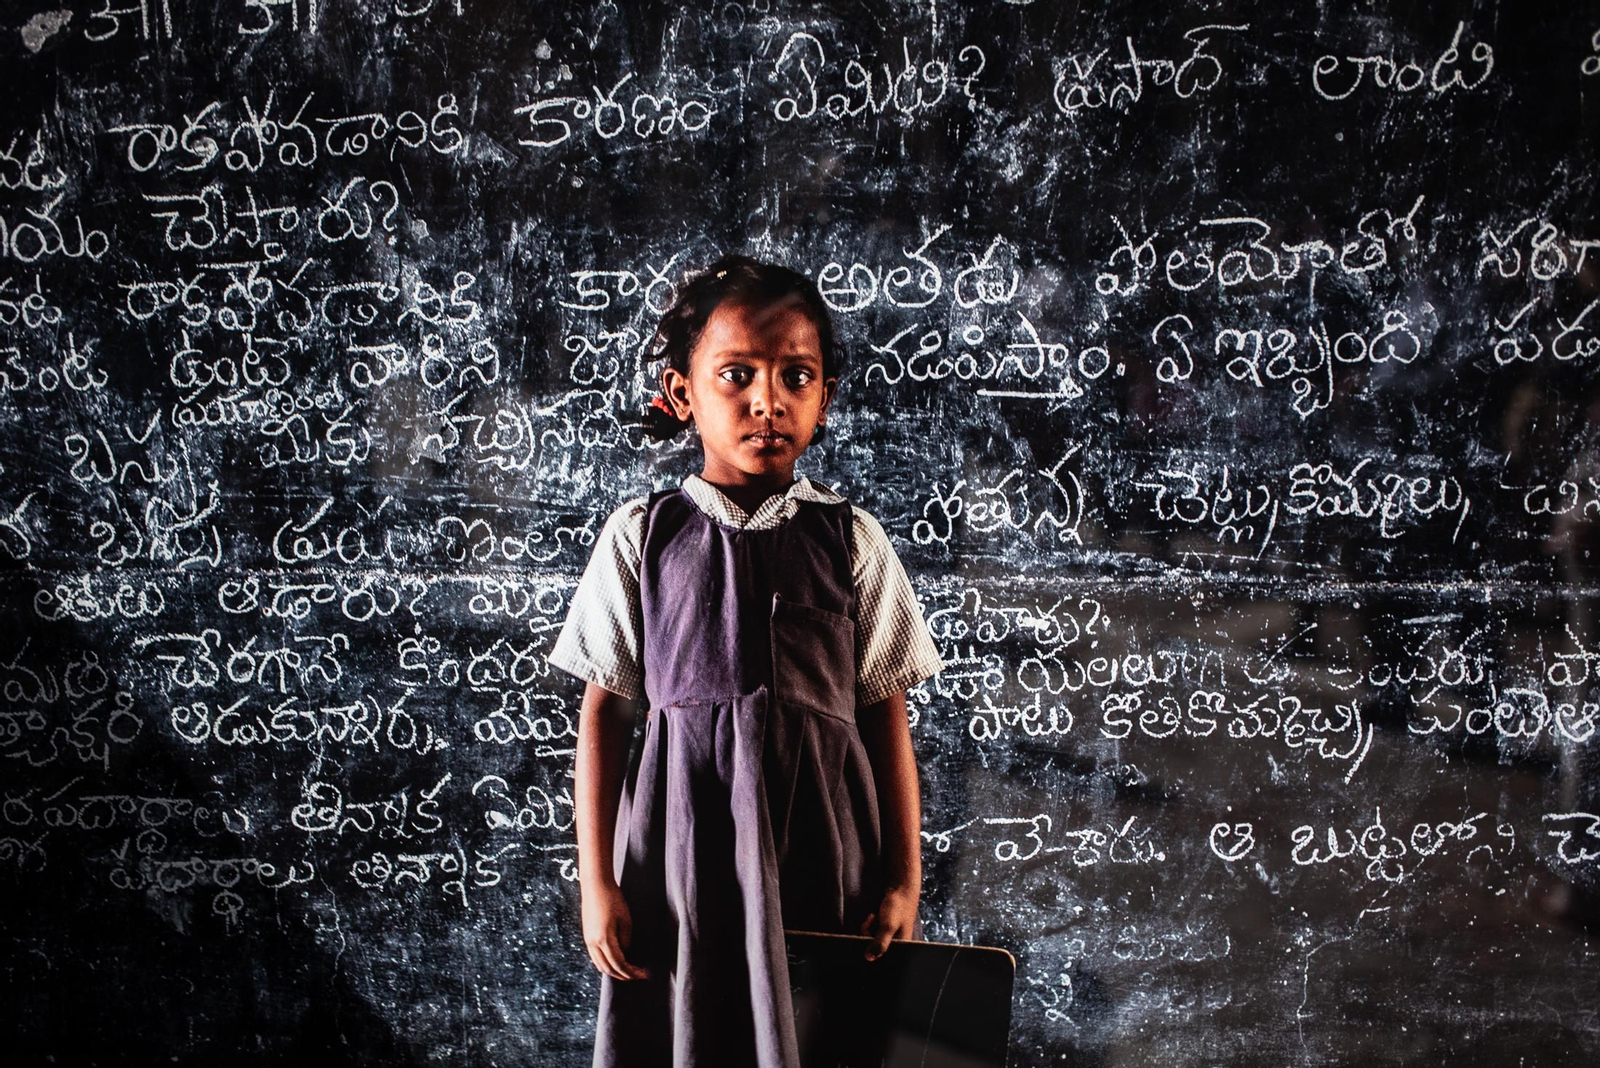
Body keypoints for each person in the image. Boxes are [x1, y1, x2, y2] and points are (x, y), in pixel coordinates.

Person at [546, 253, 946, 1067]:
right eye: (737, 375)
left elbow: (884, 714)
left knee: (817, 1036)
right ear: (683, 393)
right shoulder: (641, 537)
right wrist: (599, 885)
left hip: (823, 856)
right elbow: (603, 714)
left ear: (825, 399)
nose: (769, 400)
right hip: (681, 854)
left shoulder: (852, 541)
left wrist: (905, 878)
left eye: (797, 377)